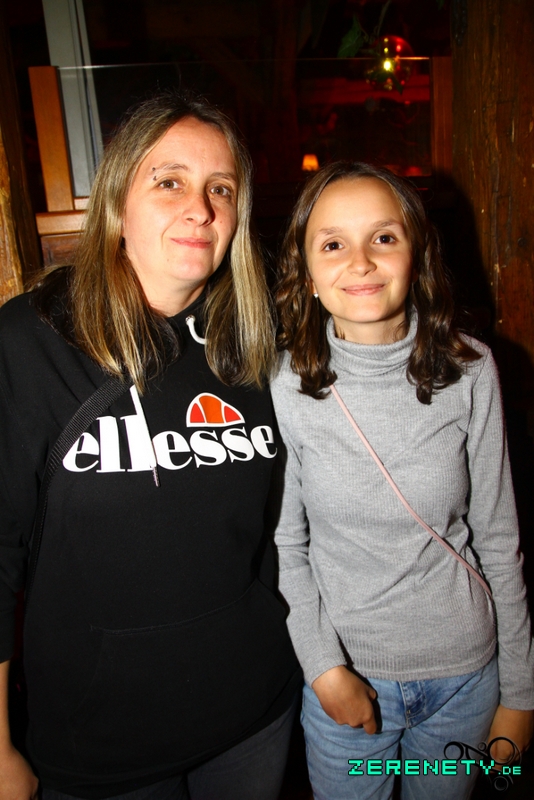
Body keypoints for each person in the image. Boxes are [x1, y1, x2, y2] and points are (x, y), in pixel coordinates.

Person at [0, 92, 300, 800]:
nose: (201, 209)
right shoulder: (31, 339)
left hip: (254, 718)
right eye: (169, 182)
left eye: (220, 189)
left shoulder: (258, 343)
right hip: (99, 744)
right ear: (116, 203)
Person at [271, 161, 534, 800]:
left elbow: (500, 540)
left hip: (466, 683)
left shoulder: (473, 371)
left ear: (417, 255)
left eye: (383, 237)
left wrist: (521, 696)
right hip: (349, 684)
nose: (360, 261)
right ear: (307, 275)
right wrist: (324, 668)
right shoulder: (283, 386)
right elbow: (286, 546)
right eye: (333, 244)